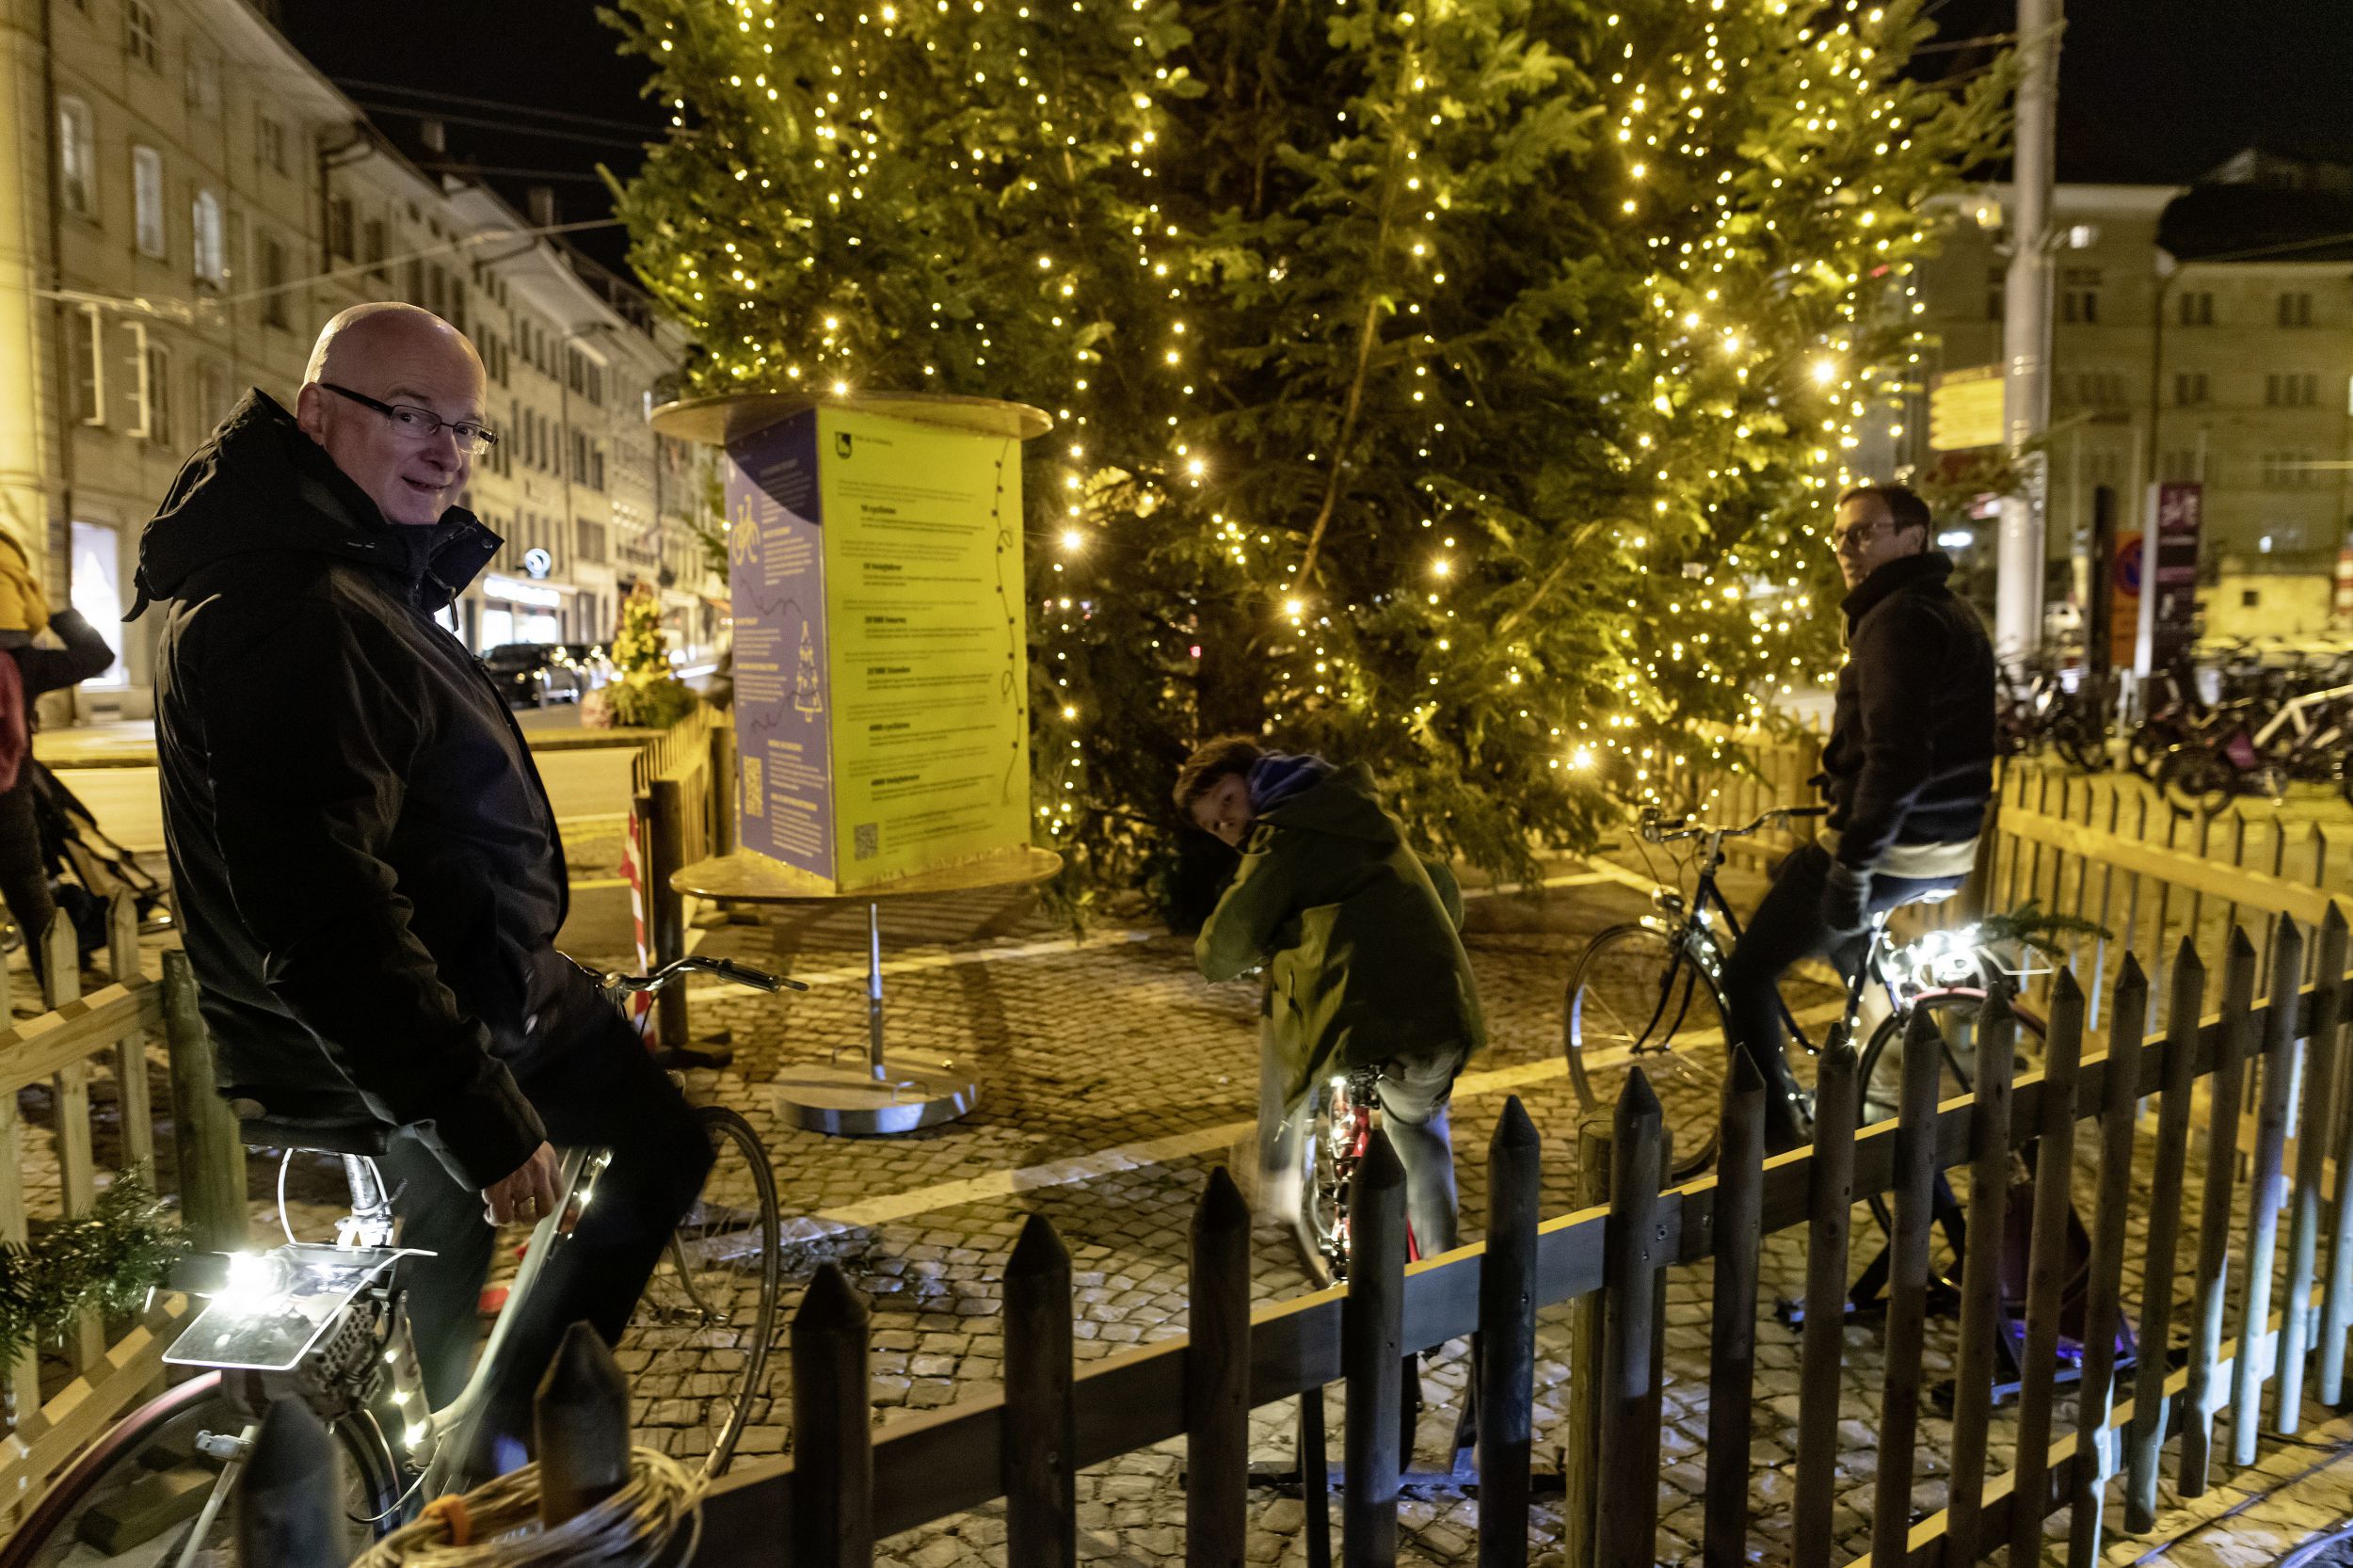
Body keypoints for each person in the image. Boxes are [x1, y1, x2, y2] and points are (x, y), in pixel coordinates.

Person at [132, 302, 712, 1471]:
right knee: (656, 1150)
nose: (447, 449)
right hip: (456, 1014)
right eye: (411, 416)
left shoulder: (331, 571)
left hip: (424, 1004)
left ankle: (442, 1472)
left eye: (466, 428)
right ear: (315, 414)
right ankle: (498, 1459)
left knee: (442, 1254)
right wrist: (479, 1108)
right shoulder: (291, 608)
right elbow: (324, 912)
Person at [1717, 482, 1997, 1151]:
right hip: (1947, 841)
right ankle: (1877, 1048)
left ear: (1914, 538)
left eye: (1867, 531)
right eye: (1842, 534)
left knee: (1746, 972)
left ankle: (1775, 1139)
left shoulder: (1897, 618)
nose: (1849, 545)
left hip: (1899, 846)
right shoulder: (1941, 609)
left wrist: (1853, 866)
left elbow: (1896, 758)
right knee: (1832, 924)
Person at [1177, 736, 1484, 1272]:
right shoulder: (1359, 805)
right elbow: (1443, 888)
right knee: (1420, 1131)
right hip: (1442, 1004)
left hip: (1367, 1021)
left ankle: (1278, 1167)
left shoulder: (1283, 836)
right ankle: (1445, 1274)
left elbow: (1225, 946)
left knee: (1286, 1021)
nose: (1229, 826)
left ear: (1253, 778)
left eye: (1227, 802)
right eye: (1214, 826)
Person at [0, 528, 115, 988]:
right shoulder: (23, 663)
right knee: (30, 895)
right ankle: (59, 996)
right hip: (8, 801)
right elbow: (97, 654)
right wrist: (52, 613)